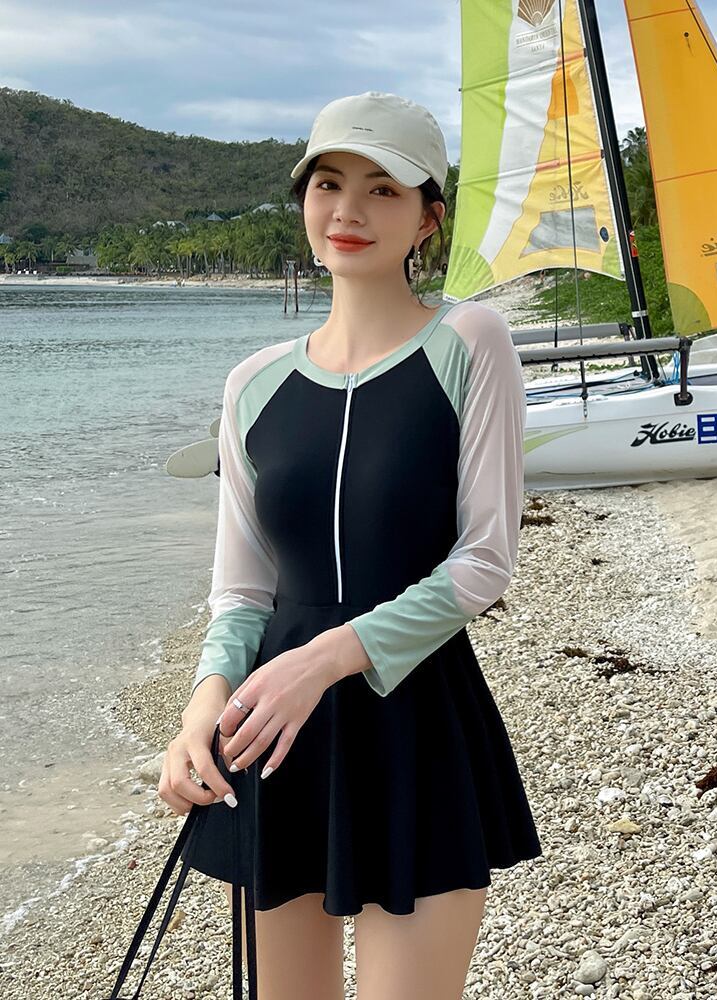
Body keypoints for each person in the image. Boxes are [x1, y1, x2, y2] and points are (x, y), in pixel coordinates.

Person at [158, 91, 542, 1000]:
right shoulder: (252, 383)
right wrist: (201, 708)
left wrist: (324, 659)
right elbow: (243, 590)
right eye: (328, 184)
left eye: (383, 190)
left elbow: (485, 560)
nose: (348, 211)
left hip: (416, 719)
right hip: (271, 735)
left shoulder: (470, 342)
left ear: (427, 218)